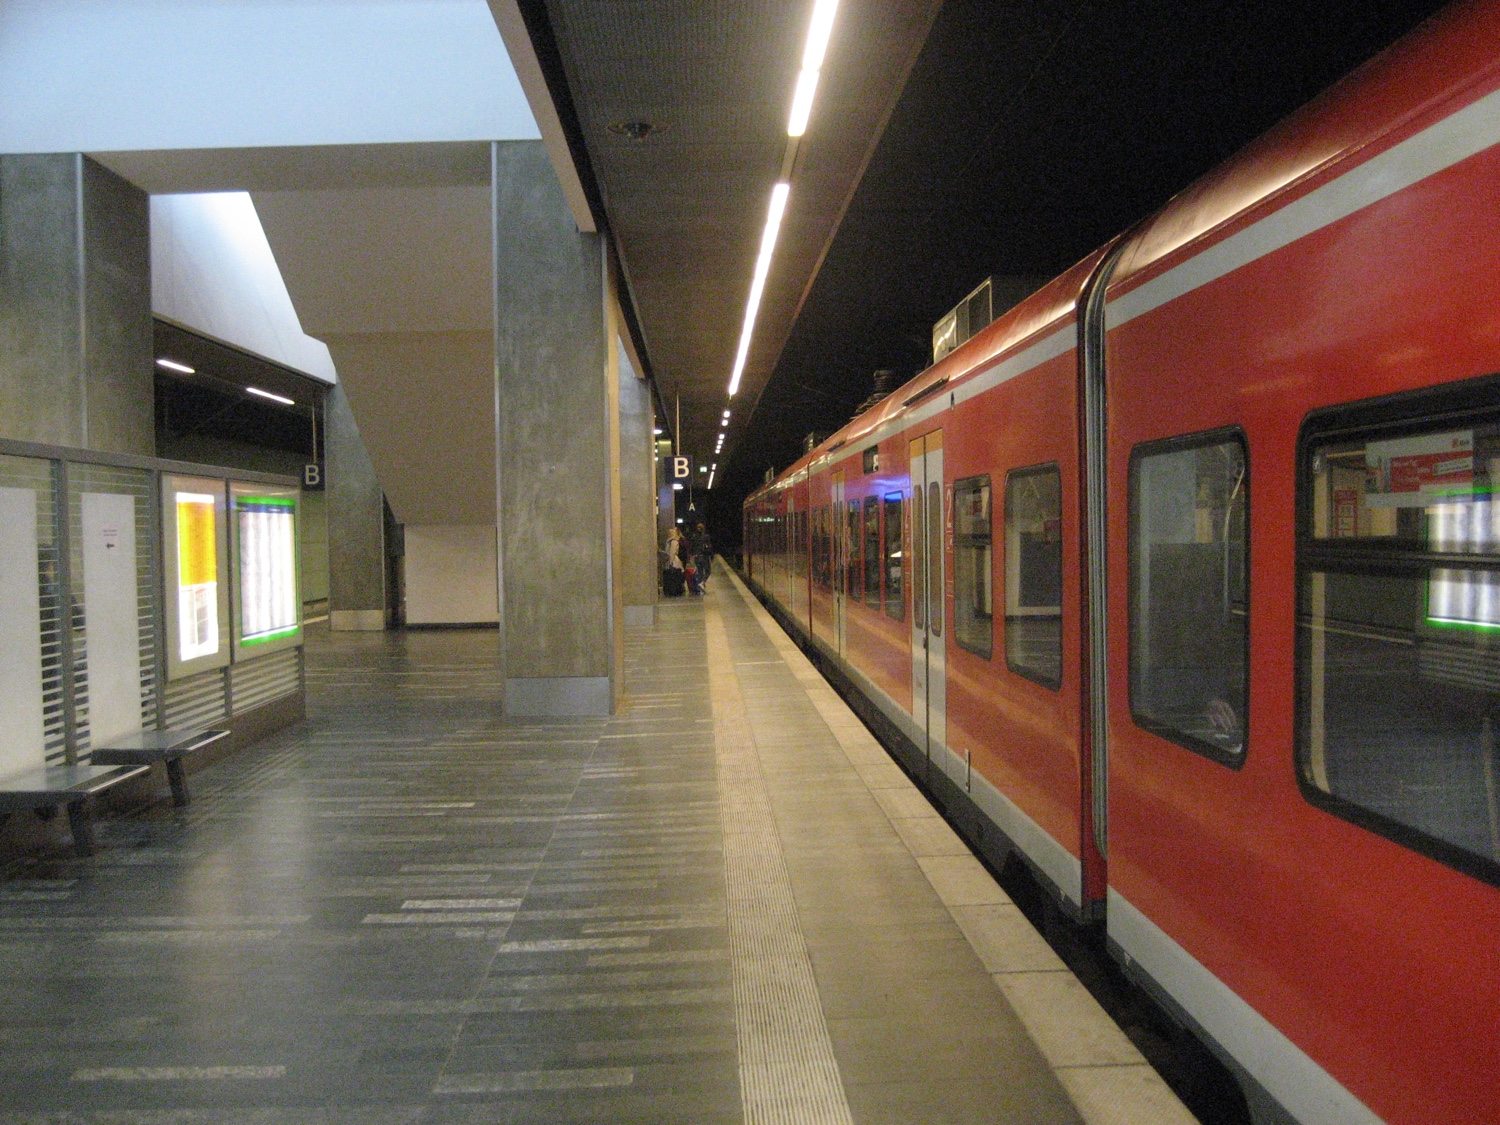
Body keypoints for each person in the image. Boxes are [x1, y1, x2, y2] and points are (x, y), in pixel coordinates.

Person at [689, 521, 713, 593]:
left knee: (700, 572)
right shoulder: (706, 536)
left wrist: (693, 555)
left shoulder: (693, 537)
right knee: (708, 571)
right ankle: (702, 583)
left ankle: (700, 587)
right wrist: (711, 556)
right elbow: (709, 547)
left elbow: (691, 548)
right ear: (703, 529)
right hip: (704, 557)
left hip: (696, 557)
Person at [663, 527, 687, 597]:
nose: (668, 534)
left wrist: (670, 562)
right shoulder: (671, 541)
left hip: (673, 561)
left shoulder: (673, 541)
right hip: (672, 560)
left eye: (670, 533)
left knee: (674, 574)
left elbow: (672, 552)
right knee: (675, 575)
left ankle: (675, 589)